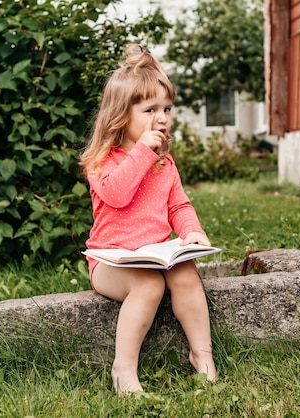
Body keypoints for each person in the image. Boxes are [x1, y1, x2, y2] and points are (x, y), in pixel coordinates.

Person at [79, 44, 218, 395]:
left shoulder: (164, 164)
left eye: (167, 108)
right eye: (150, 109)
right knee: (149, 285)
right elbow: (117, 194)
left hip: (156, 256)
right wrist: (142, 151)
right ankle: (123, 370)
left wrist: (192, 232)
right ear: (120, 115)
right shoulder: (102, 160)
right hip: (111, 263)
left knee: (186, 275)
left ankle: (202, 357)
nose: (162, 117)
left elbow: (179, 207)